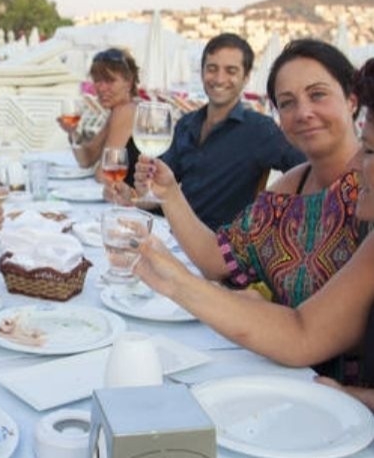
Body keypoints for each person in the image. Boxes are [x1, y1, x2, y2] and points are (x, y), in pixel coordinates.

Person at [133, 42, 370, 384]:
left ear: (351, 100)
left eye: (317, 95)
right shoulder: (292, 187)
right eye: (287, 103)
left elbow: (303, 333)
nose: (303, 112)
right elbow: (217, 259)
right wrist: (170, 193)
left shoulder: (367, 193)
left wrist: (178, 282)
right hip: (279, 377)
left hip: (340, 397)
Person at [108, 33, 305, 229]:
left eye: (231, 71)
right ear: (202, 72)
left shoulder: (260, 130)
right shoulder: (186, 124)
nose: (219, 78)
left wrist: (275, 218)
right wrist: (133, 196)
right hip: (174, 233)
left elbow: (308, 169)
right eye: (212, 69)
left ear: (245, 77)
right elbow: (160, 193)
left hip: (218, 243)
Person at [57, 47, 141, 187]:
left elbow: (105, 176)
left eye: (110, 81)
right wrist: (73, 132)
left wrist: (97, 170)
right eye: (97, 81)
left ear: (129, 82)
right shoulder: (118, 110)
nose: (101, 88)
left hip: (132, 197)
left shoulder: (126, 111)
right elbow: (86, 159)